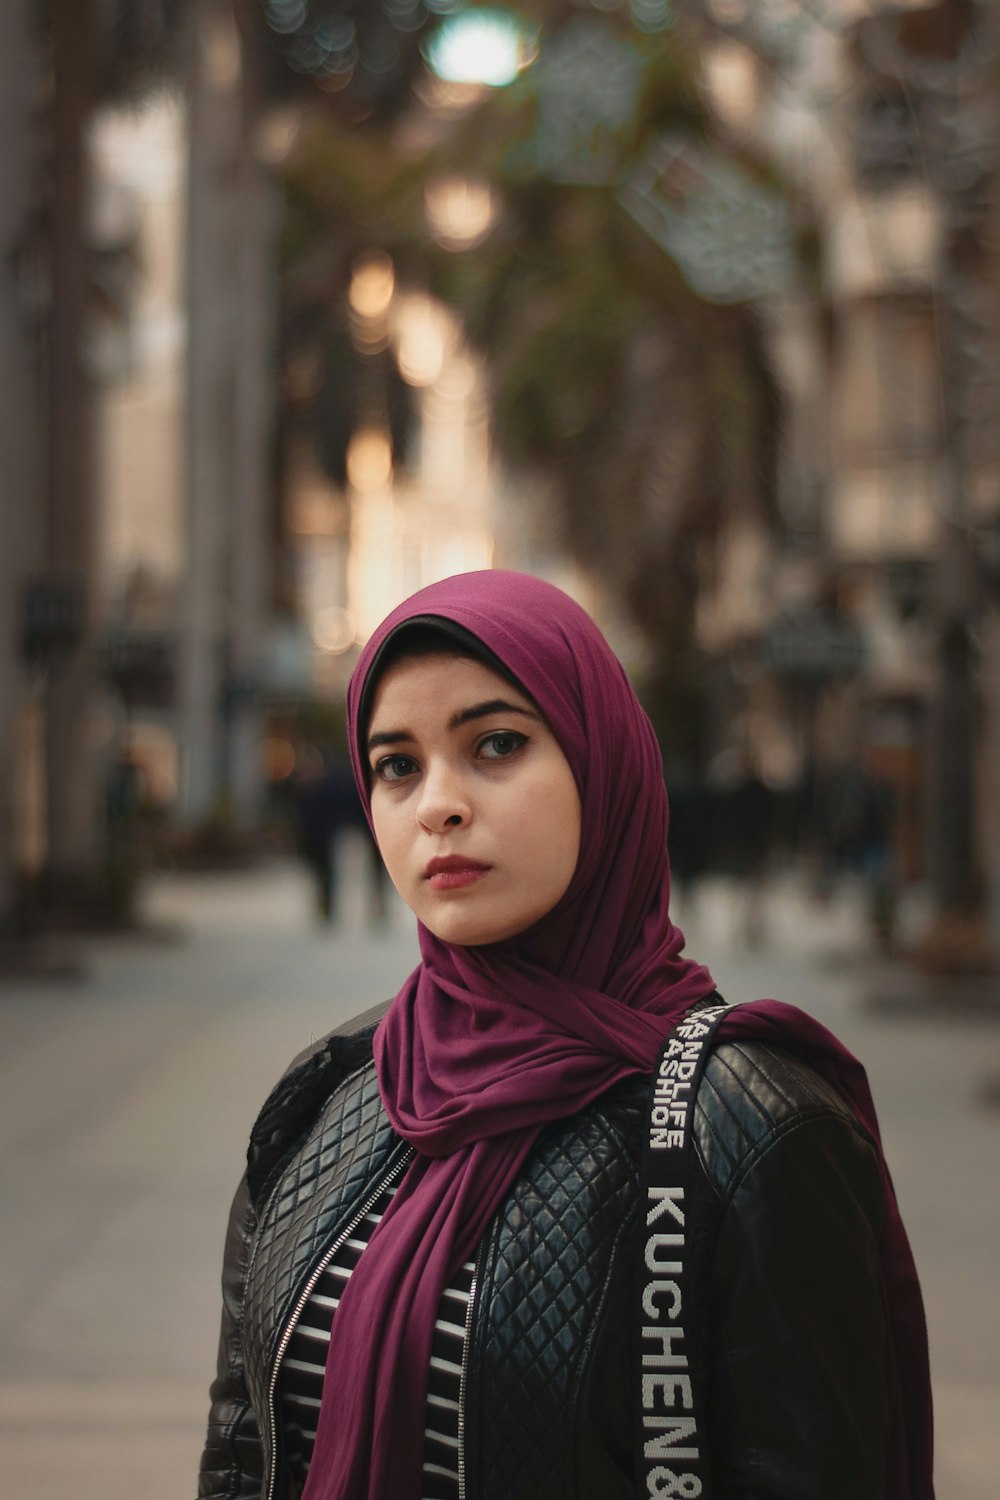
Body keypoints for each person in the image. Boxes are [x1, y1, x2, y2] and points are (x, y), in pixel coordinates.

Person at [197, 570, 934, 1500]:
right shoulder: (331, 1097)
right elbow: (240, 1458)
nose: (439, 805)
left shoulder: (755, 1131)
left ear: (601, 763)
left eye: (496, 744)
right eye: (397, 764)